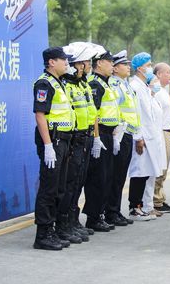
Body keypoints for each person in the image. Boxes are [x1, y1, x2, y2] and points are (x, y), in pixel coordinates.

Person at [32, 47, 76, 250]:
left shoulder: (60, 83)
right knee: (49, 188)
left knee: (59, 187)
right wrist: (48, 145)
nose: (66, 63)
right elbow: (40, 115)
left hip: (64, 141)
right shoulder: (44, 83)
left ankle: (55, 229)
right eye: (63, 60)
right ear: (51, 62)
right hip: (54, 141)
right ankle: (43, 234)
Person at [56, 42, 96, 245]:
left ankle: (72, 220)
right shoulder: (67, 86)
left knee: (78, 181)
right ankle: (63, 224)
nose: (87, 66)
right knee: (69, 183)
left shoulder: (83, 84)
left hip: (85, 137)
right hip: (74, 139)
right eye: (84, 63)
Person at [83, 47, 118, 233]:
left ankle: (100, 214)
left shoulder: (106, 83)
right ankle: (93, 217)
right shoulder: (95, 84)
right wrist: (96, 137)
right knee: (98, 178)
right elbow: (94, 114)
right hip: (100, 134)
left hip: (108, 134)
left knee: (107, 177)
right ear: (99, 63)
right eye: (109, 62)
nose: (112, 65)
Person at [128, 52, 164, 221]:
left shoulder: (144, 87)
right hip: (141, 137)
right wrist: (138, 137)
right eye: (148, 65)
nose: (150, 67)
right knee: (139, 173)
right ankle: (135, 208)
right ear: (139, 68)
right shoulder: (135, 86)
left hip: (150, 137)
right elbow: (136, 115)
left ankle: (144, 207)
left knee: (147, 173)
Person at [107, 51, 139, 227]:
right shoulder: (114, 85)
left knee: (120, 177)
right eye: (124, 64)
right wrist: (116, 135)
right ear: (116, 68)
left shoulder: (125, 85)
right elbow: (115, 110)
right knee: (115, 176)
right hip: (119, 134)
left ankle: (115, 210)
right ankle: (111, 211)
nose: (128, 67)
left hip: (128, 134)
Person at [152, 63, 170, 213]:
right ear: (159, 74)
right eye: (167, 72)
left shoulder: (163, 91)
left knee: (165, 169)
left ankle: (160, 197)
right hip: (162, 132)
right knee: (160, 169)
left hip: (168, 131)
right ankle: (155, 200)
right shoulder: (156, 92)